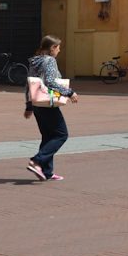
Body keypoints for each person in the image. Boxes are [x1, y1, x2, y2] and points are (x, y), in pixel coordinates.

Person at [26, 35, 77, 181]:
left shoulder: (35, 61)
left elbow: (29, 83)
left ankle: (47, 171)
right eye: (58, 47)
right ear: (52, 48)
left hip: (37, 103)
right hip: (48, 103)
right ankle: (37, 161)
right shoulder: (50, 61)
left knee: (48, 136)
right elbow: (49, 81)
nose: (59, 51)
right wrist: (70, 92)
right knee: (61, 134)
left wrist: (29, 105)